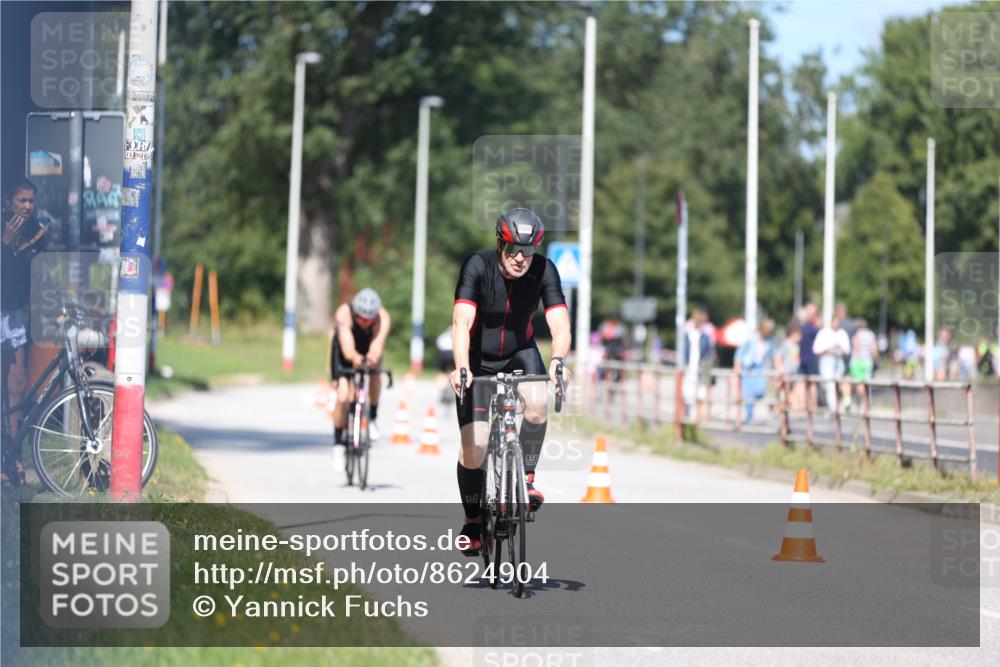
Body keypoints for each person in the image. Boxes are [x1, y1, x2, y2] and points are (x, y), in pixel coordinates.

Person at [450, 208, 571, 556]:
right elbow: (461, 321)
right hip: (477, 358)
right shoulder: (478, 266)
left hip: (520, 351)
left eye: (528, 250)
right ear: (500, 244)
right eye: (514, 249)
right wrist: (461, 366)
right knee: (475, 446)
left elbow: (560, 325)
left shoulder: (544, 270)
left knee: (536, 401)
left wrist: (559, 359)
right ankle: (473, 521)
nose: (521, 258)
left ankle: (527, 480)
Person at [2, 179, 47, 487]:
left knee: (17, 384)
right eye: (22, 201)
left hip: (14, 312)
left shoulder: (38, 233)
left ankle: (14, 455)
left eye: (31, 201)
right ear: (8, 202)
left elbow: (42, 273)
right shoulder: (4, 228)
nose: (27, 207)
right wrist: (5, 242)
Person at [328, 288, 391, 446]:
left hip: (367, 346)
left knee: (376, 374)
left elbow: (377, 344)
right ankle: (338, 444)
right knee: (343, 396)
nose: (365, 323)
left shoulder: (383, 317)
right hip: (344, 350)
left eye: (370, 320)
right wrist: (354, 357)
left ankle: (372, 417)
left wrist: (372, 357)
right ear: (355, 313)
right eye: (361, 319)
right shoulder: (344, 313)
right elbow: (348, 348)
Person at [734, 318, 775, 423]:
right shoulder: (751, 339)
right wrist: (737, 365)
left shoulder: (770, 342)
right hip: (749, 367)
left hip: (762, 368)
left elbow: (773, 355)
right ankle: (749, 416)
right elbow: (740, 352)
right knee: (748, 394)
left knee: (760, 391)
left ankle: (756, 414)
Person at [681, 306, 713, 422]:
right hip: (689, 368)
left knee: (700, 394)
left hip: (700, 368)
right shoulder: (686, 336)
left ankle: (697, 417)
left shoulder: (705, 337)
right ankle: (688, 415)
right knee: (688, 393)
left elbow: (707, 355)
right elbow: (683, 353)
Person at [813, 316, 850, 411]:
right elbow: (816, 350)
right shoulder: (824, 333)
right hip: (827, 360)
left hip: (838, 360)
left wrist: (839, 347)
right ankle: (834, 408)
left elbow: (847, 350)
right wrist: (828, 349)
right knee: (830, 385)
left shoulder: (842, 333)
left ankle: (840, 405)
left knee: (839, 384)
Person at [848, 318, 878, 408]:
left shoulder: (857, 335)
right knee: (867, 383)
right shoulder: (871, 335)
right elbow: (874, 350)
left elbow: (857, 347)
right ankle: (866, 402)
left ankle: (860, 403)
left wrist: (857, 360)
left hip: (858, 362)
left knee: (859, 384)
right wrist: (875, 360)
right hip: (868, 362)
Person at [774, 321, 802, 412]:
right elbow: (777, 358)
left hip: (792, 374)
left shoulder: (796, 345)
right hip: (786, 375)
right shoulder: (786, 344)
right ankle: (798, 412)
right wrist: (781, 371)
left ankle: (777, 415)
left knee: (785, 399)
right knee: (788, 396)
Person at [797, 303, 820, 410]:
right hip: (812, 359)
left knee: (802, 383)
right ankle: (813, 406)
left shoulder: (799, 329)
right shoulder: (814, 329)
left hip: (802, 359)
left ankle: (802, 406)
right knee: (812, 384)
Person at [435, 325, 455, 403]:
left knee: (442, 373)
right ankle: (454, 392)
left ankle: (443, 392)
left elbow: (439, 343)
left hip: (443, 354)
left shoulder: (445, 334)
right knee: (455, 371)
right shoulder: (460, 329)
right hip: (454, 354)